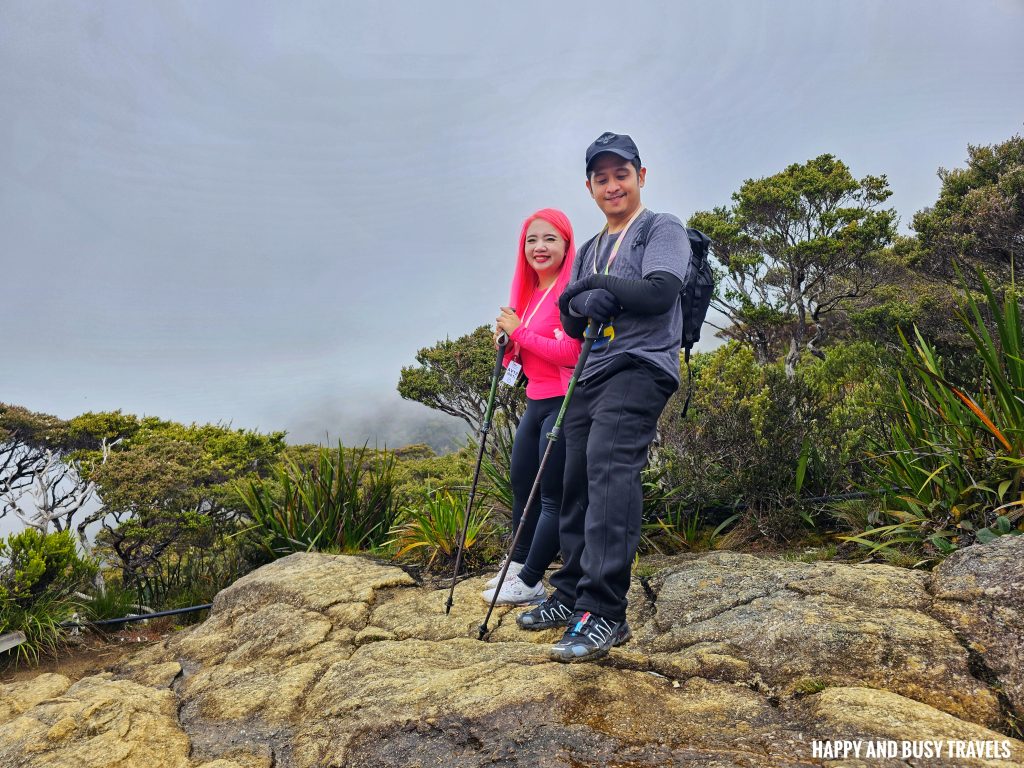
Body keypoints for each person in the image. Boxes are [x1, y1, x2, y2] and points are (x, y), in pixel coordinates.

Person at [516, 132, 692, 663]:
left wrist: (595, 287)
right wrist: (584, 296)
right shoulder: (592, 244)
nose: (612, 185)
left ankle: (604, 613)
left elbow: (661, 291)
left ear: (642, 176)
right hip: (591, 371)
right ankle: (570, 593)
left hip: (640, 365)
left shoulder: (660, 228)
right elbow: (572, 316)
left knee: (610, 472)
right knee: (573, 480)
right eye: (601, 177)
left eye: (622, 174)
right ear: (589, 186)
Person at [479, 208, 582, 606]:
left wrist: (519, 331)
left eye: (550, 239)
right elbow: (521, 358)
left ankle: (532, 578)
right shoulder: (530, 294)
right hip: (535, 401)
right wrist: (507, 346)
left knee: (553, 495)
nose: (539, 247)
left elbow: (571, 351)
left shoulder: (569, 291)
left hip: (565, 400)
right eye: (532, 240)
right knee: (523, 485)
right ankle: (516, 568)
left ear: (566, 244)